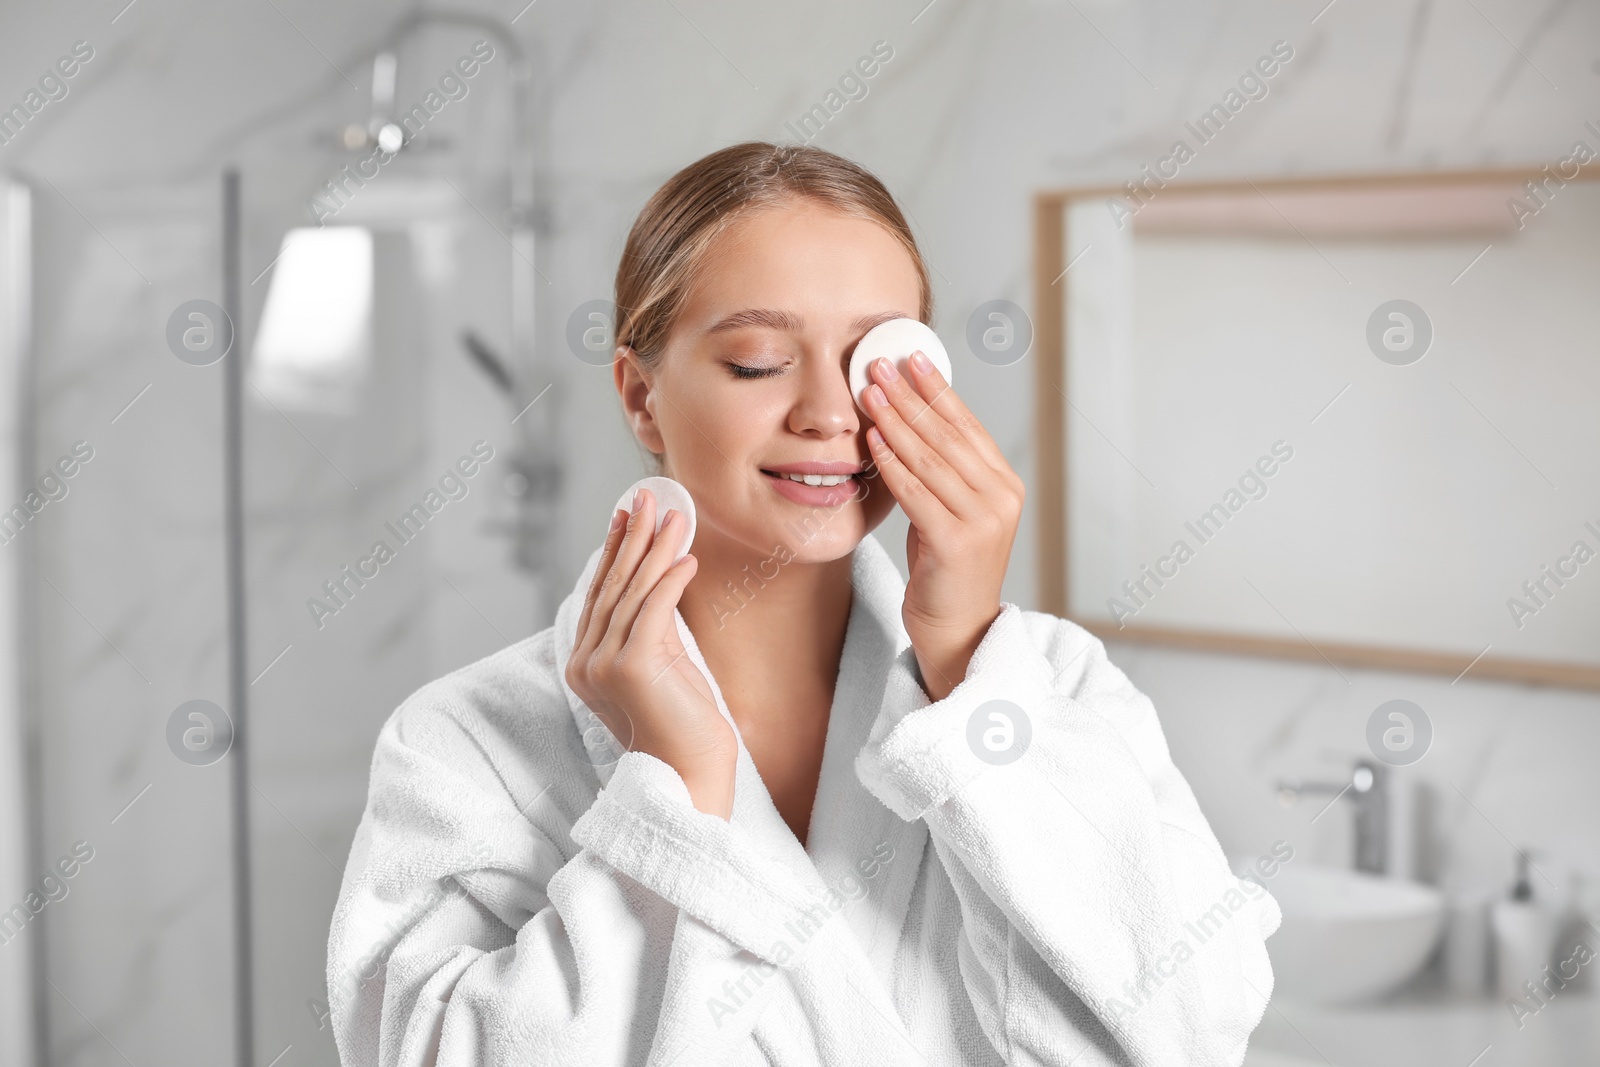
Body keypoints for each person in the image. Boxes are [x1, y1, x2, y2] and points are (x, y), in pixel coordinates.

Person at [326, 141, 1280, 1067]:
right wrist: (677, 792)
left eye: (877, 364)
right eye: (757, 362)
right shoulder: (468, 742)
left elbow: (1188, 1032)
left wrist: (967, 668)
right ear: (642, 397)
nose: (830, 413)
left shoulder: (1050, 688)